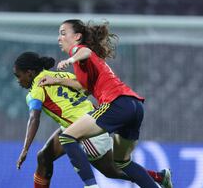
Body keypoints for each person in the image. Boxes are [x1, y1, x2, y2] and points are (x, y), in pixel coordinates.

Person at [39, 19, 173, 188]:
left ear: (78, 36)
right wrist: (55, 80)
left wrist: (71, 60)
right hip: (134, 105)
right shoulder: (88, 64)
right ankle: (162, 179)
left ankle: (91, 185)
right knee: (122, 162)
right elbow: (84, 87)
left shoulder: (79, 51)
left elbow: (84, 51)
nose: (59, 38)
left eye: (63, 33)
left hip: (116, 104)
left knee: (67, 137)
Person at [14, 52, 172, 188]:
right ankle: (158, 177)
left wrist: (25, 148)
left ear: (29, 73)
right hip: (83, 122)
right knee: (44, 156)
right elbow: (87, 89)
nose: (18, 80)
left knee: (111, 170)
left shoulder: (35, 91)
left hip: (86, 132)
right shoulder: (62, 75)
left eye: (18, 76)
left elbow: (34, 118)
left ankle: (157, 177)